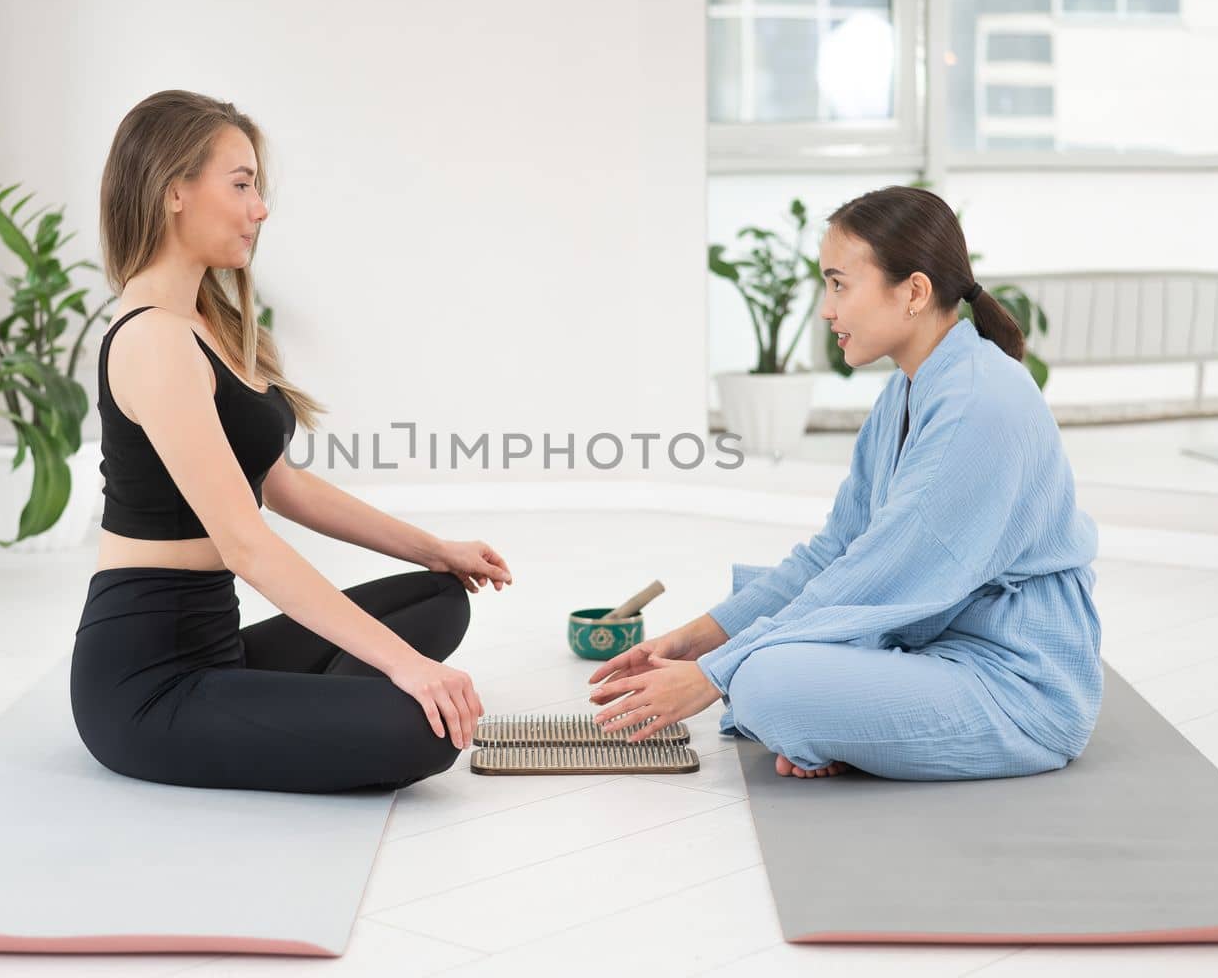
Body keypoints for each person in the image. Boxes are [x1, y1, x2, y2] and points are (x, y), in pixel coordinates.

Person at [71, 90, 512, 793]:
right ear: (174, 190)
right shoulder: (153, 338)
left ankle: (303, 713)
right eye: (241, 185)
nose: (260, 209)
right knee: (419, 735)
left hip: (220, 649)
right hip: (148, 685)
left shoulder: (201, 326)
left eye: (258, 188)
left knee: (439, 596)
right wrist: (407, 667)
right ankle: (331, 713)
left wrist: (438, 549)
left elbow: (286, 487)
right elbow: (245, 543)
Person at [587, 185, 1102, 782]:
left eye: (839, 285)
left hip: (1018, 689)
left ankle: (834, 725)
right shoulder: (906, 391)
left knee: (764, 683)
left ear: (912, 291)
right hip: (935, 653)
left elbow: (881, 573)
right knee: (764, 659)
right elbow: (835, 553)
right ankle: (842, 727)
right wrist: (696, 641)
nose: (827, 310)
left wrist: (714, 675)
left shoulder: (979, 400)